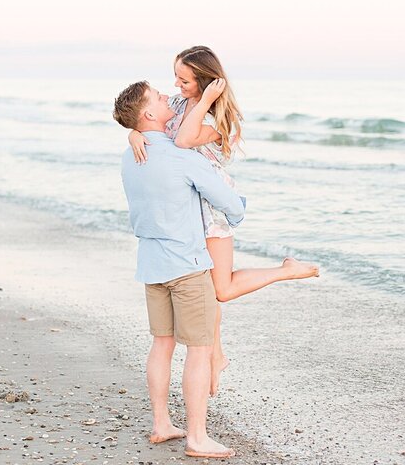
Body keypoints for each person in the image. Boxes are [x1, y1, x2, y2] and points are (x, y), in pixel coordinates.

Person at [128, 46, 319, 396]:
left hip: (211, 208)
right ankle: (215, 354)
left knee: (221, 289)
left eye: (184, 80)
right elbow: (146, 119)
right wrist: (133, 133)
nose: (176, 85)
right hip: (183, 206)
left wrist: (203, 100)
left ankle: (285, 270)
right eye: (176, 78)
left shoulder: (218, 118)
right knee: (203, 287)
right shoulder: (179, 102)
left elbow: (184, 139)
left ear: (205, 80)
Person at [115, 80, 244, 458]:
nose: (164, 96)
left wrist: (134, 134)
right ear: (149, 114)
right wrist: (239, 211)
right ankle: (197, 437)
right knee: (200, 351)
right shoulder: (180, 156)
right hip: (187, 266)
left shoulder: (131, 155)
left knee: (162, 344)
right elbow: (227, 202)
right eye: (156, 96)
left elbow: (142, 126)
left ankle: (161, 423)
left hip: (151, 266)